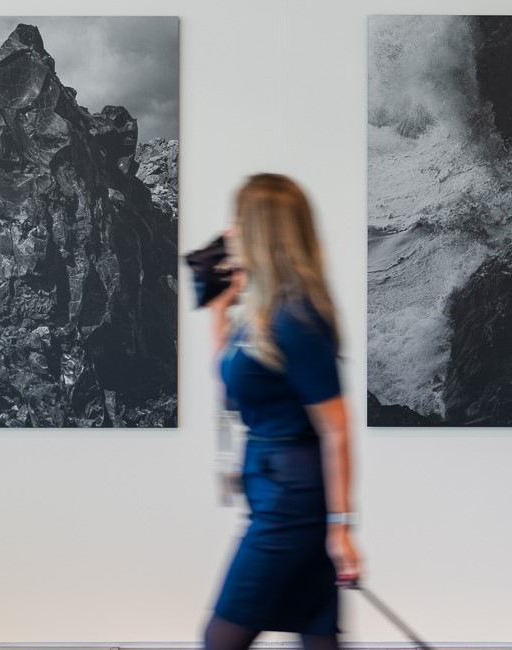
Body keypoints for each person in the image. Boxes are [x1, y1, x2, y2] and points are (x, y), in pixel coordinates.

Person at [204, 173, 361, 650]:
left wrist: (341, 531)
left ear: (261, 230)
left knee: (221, 640)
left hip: (291, 500)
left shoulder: (296, 319)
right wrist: (219, 310)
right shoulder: (264, 312)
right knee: (316, 634)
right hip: (275, 486)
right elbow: (234, 388)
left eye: (238, 219)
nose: (229, 230)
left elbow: (337, 429)